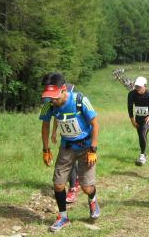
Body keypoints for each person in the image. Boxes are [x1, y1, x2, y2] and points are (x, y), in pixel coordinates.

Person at [39, 72, 100, 232]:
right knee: (58, 185)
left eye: (55, 96)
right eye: (49, 96)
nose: (53, 100)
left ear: (64, 89)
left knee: (87, 188)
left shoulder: (80, 100)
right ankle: (63, 217)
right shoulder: (48, 104)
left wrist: (93, 149)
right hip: (67, 147)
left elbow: (95, 124)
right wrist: (46, 150)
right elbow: (45, 126)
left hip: (86, 147)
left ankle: (93, 199)